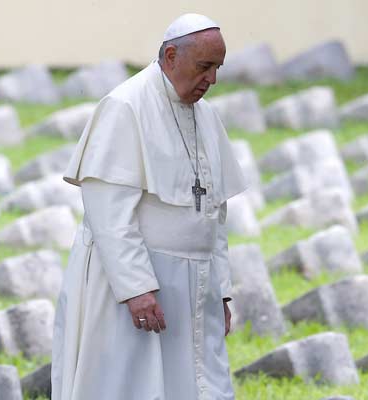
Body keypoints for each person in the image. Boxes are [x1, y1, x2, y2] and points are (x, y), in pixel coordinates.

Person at [51, 13, 246, 400]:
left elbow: (214, 212)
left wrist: (221, 289)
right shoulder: (125, 106)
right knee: (129, 385)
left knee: (201, 384)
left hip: (196, 284)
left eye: (217, 69)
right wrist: (136, 289)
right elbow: (108, 213)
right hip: (138, 286)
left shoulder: (205, 115)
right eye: (204, 67)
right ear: (171, 55)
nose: (212, 80)